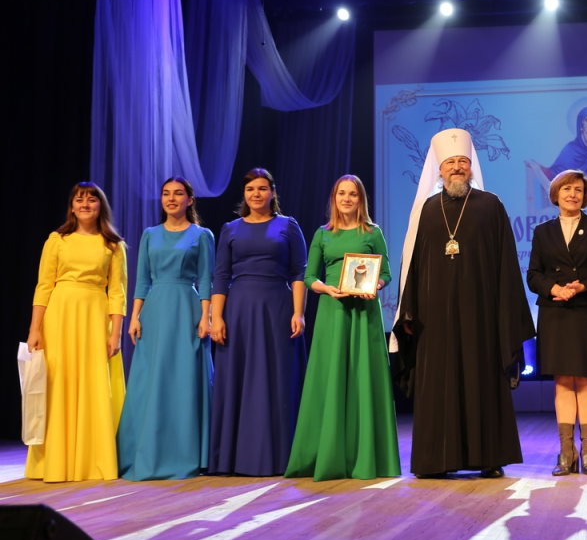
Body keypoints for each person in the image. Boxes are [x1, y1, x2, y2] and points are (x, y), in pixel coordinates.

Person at [393, 128, 535, 479]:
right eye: (450, 163)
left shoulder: (491, 205)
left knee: (481, 380)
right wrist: (408, 311)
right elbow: (413, 265)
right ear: (439, 169)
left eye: (463, 162)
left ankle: (489, 457)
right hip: (434, 318)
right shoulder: (427, 210)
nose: (457, 167)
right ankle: (435, 461)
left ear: (471, 167)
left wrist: (506, 314)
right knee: (438, 384)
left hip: (481, 314)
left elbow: (506, 264)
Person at [285, 175, 401, 481]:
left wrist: (375, 285)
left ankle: (365, 457)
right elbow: (309, 277)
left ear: (361, 199)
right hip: (332, 312)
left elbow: (387, 273)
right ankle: (328, 455)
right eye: (341, 194)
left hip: (364, 313)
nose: (346, 199)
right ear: (334, 198)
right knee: (331, 377)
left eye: (353, 194)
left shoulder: (372, 232)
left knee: (364, 377)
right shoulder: (323, 234)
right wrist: (326, 288)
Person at [26, 182, 127, 482]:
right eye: (79, 200)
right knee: (59, 384)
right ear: (71, 207)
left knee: (93, 384)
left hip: (95, 318)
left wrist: (116, 333)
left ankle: (93, 461)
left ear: (100, 206)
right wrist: (34, 329)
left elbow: (118, 292)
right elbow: (44, 286)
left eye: (91, 199)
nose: (85, 204)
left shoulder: (113, 245)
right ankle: (53, 462)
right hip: (59, 318)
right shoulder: (57, 241)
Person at [210, 169, 307, 476]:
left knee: (278, 379)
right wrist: (216, 317)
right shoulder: (230, 229)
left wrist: (299, 312)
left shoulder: (288, 226)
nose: (256, 194)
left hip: (276, 308)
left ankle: (281, 456)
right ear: (244, 193)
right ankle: (234, 458)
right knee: (237, 380)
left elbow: (299, 272)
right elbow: (221, 275)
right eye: (251, 188)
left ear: (272, 192)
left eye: (263, 188)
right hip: (238, 311)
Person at [117, 177, 215, 481]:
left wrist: (206, 317)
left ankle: (185, 454)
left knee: (184, 379)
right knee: (151, 379)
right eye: (166, 194)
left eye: (178, 194)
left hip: (187, 310)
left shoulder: (202, 235)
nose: (171, 198)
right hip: (155, 311)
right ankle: (145, 451)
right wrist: (135, 316)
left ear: (189, 200)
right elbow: (142, 280)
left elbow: (207, 279)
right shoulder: (150, 234)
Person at [527, 169, 587, 476]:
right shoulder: (543, 232)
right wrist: (554, 288)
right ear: (556, 194)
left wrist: (582, 286)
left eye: (578, 190)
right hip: (555, 312)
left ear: (585, 195)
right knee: (563, 381)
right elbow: (533, 275)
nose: (573, 194)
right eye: (567, 189)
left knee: (586, 380)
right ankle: (566, 452)